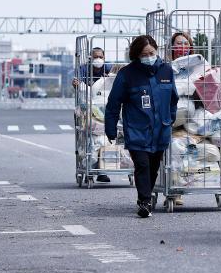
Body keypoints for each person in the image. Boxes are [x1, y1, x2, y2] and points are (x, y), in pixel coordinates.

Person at [104, 35, 178, 218]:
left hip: (161, 129)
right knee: (142, 165)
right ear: (137, 55)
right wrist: (110, 128)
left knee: (153, 166)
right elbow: (114, 103)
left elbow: (173, 100)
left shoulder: (166, 71)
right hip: (137, 130)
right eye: (144, 54)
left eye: (151, 53)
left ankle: (147, 195)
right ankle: (144, 202)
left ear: (156, 50)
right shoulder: (127, 75)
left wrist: (171, 119)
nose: (149, 56)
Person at [73, 47, 115, 182]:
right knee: (89, 140)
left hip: (104, 108)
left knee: (104, 139)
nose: (98, 59)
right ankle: (89, 169)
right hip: (88, 109)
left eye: (100, 57)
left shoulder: (108, 68)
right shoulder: (83, 69)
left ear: (104, 57)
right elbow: (77, 83)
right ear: (90, 58)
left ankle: (102, 171)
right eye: (95, 57)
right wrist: (76, 84)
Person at [167, 31, 194, 207]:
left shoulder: (197, 65)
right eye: (178, 43)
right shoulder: (167, 66)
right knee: (173, 150)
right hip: (172, 116)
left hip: (193, 116)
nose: (181, 47)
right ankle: (174, 190)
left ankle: (180, 187)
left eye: (185, 43)